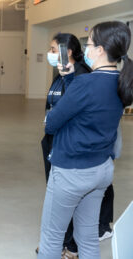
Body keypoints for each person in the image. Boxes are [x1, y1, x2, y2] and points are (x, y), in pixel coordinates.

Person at [38, 21, 133, 259]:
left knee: (51, 238)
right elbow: (89, 106)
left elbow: (52, 123)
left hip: (71, 171)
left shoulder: (86, 83)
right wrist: (70, 79)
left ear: (100, 50)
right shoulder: (121, 83)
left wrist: (71, 84)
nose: (86, 49)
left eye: (89, 44)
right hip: (101, 170)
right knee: (88, 237)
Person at [39, 33, 91, 258]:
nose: (50, 54)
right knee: (55, 196)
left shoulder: (80, 75)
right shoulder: (60, 73)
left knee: (66, 198)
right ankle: (62, 242)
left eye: (53, 49)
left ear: (67, 51)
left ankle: (71, 245)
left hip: (68, 144)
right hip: (52, 140)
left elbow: (75, 110)